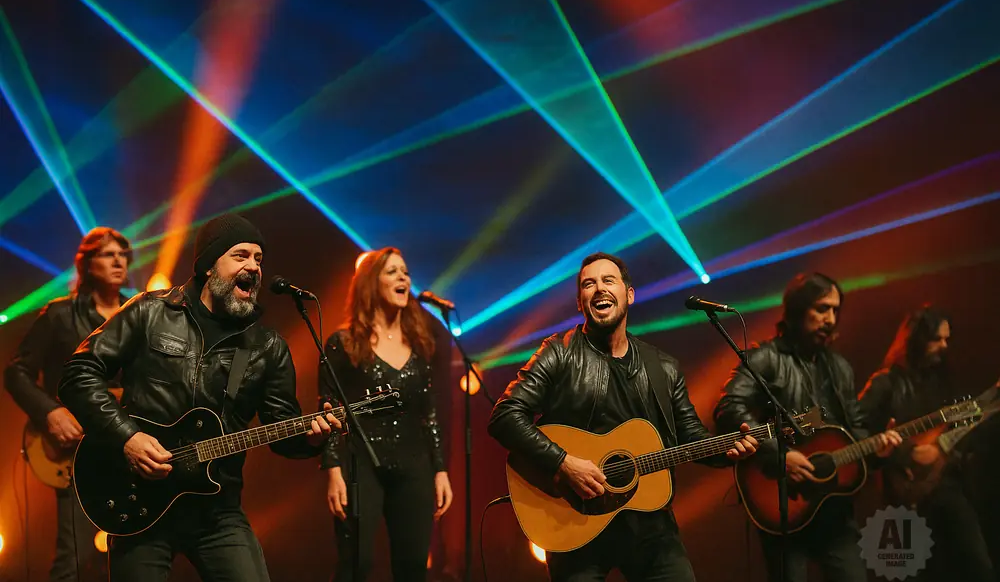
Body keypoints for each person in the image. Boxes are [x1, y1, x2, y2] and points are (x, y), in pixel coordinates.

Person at [57, 213, 341, 582]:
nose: (253, 267)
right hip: (138, 497)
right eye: (241, 255)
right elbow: (78, 374)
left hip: (217, 510)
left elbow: (281, 429)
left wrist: (311, 439)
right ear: (209, 266)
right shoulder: (150, 311)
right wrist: (127, 436)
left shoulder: (267, 347)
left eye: (259, 259)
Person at [488, 252, 759, 582]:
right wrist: (562, 463)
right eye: (589, 284)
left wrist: (729, 451)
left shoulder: (664, 367)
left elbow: (691, 438)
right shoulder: (559, 352)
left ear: (628, 294)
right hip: (575, 522)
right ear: (580, 302)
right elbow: (504, 415)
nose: (600, 289)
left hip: (650, 525)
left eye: (608, 280)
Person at [713, 272, 902, 582]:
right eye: (821, 308)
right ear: (798, 310)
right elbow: (728, 407)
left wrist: (877, 450)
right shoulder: (766, 358)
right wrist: (778, 456)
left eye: (835, 310)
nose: (830, 318)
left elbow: (854, 427)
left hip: (834, 510)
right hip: (785, 505)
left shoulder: (839, 367)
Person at [4, 227, 132, 582]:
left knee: (134, 555)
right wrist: (50, 412)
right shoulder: (59, 315)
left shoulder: (139, 312)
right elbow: (17, 373)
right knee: (74, 559)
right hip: (77, 454)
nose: (119, 260)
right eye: (108, 254)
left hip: (127, 449)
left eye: (123, 254)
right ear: (88, 264)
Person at [319, 246, 452, 582]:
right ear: (370, 284)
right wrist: (333, 469)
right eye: (392, 271)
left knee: (412, 568)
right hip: (361, 462)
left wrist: (440, 470)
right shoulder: (344, 342)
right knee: (356, 565)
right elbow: (329, 408)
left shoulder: (420, 341)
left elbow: (429, 412)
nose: (403, 277)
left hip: (414, 465)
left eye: (405, 271)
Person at [858, 305, 995, 581]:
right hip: (899, 495)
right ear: (917, 340)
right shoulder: (885, 383)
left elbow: (963, 426)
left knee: (976, 568)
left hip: (946, 487)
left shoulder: (944, 381)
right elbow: (856, 431)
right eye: (937, 339)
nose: (944, 346)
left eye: (947, 339)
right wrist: (904, 454)